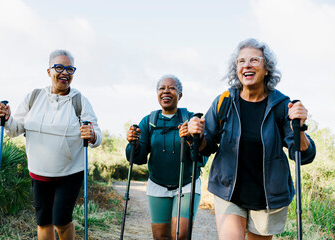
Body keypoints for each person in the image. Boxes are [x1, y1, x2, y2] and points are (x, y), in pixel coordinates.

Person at [186, 38, 316, 240]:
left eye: (254, 60)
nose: (247, 65)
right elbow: (205, 147)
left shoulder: (282, 105)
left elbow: (303, 155)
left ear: (266, 69)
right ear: (236, 69)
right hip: (229, 192)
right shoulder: (224, 101)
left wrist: (299, 128)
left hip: (268, 197)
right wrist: (196, 135)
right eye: (241, 61)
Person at [0, 49, 102, 240]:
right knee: (43, 221)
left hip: (70, 172)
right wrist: (7, 118)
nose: (65, 73)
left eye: (70, 69)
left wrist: (92, 135)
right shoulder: (34, 96)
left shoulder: (79, 101)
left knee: (61, 220)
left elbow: (97, 136)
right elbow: (15, 128)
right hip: (39, 171)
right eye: (59, 67)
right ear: (48, 71)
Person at [126, 75, 206, 239]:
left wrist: (191, 138)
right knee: (160, 236)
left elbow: (201, 159)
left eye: (172, 88)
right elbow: (138, 158)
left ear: (180, 95)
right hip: (158, 184)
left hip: (186, 184)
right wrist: (133, 142)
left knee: (180, 234)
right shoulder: (149, 121)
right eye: (162, 88)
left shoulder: (191, 119)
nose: (166, 92)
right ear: (157, 94)